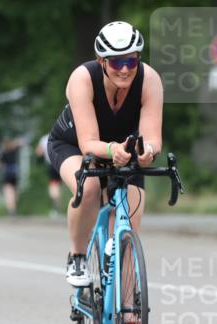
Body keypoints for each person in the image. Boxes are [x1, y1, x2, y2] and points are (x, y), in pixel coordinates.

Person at [45, 21, 163, 287]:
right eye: (116, 62)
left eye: (131, 62)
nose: (124, 70)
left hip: (124, 152)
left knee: (129, 236)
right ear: (101, 61)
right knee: (89, 188)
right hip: (72, 145)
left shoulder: (150, 80)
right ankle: (77, 255)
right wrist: (113, 150)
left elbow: (153, 138)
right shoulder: (82, 78)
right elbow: (88, 143)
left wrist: (148, 153)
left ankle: (131, 320)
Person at [36, 133, 62, 217]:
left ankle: (55, 207)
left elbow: (38, 152)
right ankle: (58, 206)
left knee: (53, 186)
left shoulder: (44, 139)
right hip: (62, 163)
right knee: (58, 185)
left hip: (51, 164)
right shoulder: (60, 135)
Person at [0, 137, 24, 216]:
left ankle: (11, 209)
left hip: (7, 174)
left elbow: (0, 165)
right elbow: (21, 142)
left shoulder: (3, 153)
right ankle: (13, 208)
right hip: (15, 173)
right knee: (14, 192)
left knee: (8, 192)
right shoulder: (14, 151)